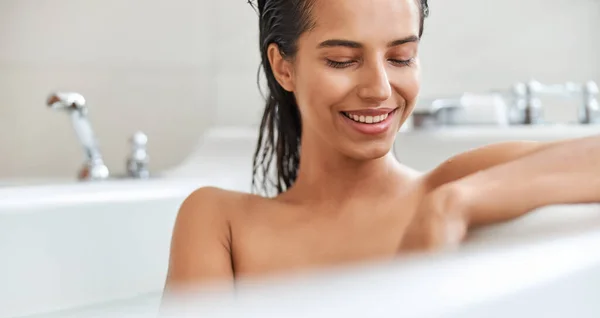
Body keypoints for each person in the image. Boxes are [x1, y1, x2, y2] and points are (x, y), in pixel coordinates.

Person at [165, 0, 600, 290]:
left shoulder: (449, 186)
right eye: (343, 60)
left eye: (400, 58)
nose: (379, 88)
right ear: (284, 68)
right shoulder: (220, 223)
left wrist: (454, 204)